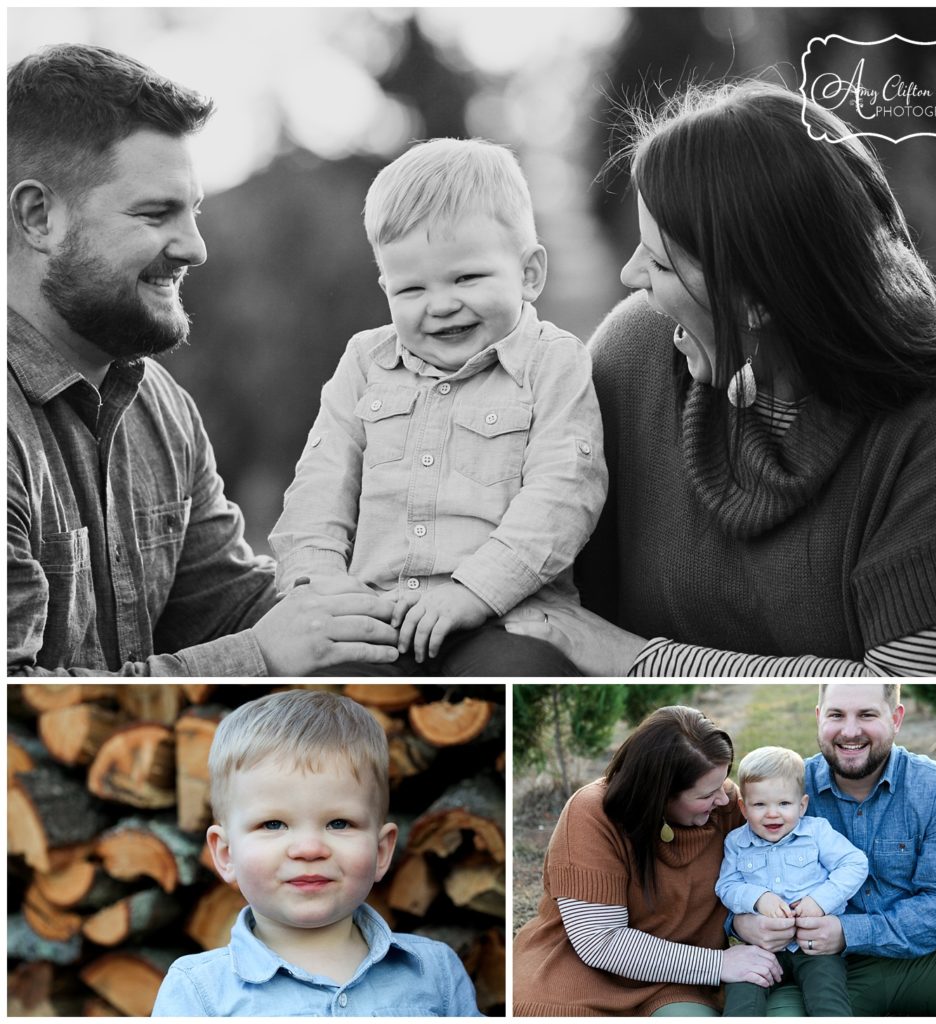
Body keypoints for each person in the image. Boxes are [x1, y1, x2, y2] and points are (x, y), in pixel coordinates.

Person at [503, 79, 936, 676]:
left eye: (662, 262)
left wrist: (633, 658)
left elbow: (916, 691)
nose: (628, 274)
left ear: (759, 299)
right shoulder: (636, 354)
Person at [7, 43, 401, 676]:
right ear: (38, 216)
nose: (195, 247)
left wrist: (401, 594)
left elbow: (227, 605)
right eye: (156, 213)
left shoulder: (159, 407)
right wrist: (259, 657)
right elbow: (13, 710)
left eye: (193, 210)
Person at [269, 138, 607, 676]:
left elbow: (564, 495)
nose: (441, 305)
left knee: (515, 675)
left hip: (503, 616)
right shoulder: (365, 363)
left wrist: (473, 591)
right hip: (378, 615)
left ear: (529, 273)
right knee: (329, 684)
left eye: (467, 278)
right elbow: (319, 485)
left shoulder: (553, 363)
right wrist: (320, 582)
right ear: (385, 289)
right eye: (411, 290)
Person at [151, 689, 482, 1016]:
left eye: (338, 823)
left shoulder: (435, 973)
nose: (309, 849)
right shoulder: (199, 992)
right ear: (225, 854)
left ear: (381, 851)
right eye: (273, 824)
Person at [732, 683, 936, 1017]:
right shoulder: (783, 791)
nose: (850, 731)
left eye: (867, 714)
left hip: (926, 962)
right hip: (822, 975)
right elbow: (735, 869)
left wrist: (850, 932)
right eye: (837, 715)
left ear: (895, 718)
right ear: (819, 718)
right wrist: (740, 923)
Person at [513, 705, 781, 1016]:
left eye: (723, 782)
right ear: (660, 794)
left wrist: (746, 922)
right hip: (578, 976)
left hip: (678, 981)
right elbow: (600, 941)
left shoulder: (725, 809)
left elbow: (775, 863)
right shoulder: (591, 814)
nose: (723, 798)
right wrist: (719, 963)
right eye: (707, 794)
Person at [715, 745, 867, 1016]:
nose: (772, 814)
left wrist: (819, 901)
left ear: (802, 804)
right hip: (760, 946)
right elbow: (726, 886)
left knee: (828, 998)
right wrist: (759, 898)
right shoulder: (737, 842)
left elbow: (854, 863)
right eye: (760, 804)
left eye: (784, 804)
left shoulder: (816, 833)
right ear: (743, 807)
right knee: (742, 996)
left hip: (813, 945)